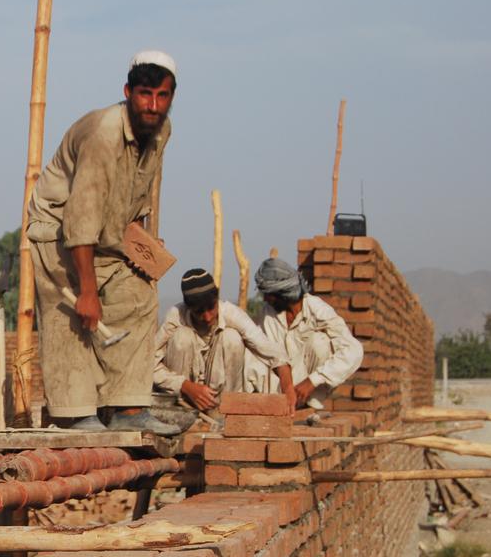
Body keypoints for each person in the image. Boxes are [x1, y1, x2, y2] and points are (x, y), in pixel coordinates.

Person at [25, 49, 181, 436]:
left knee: (139, 297)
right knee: (74, 316)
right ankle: (78, 415)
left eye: (162, 96)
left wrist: (142, 245)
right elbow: (80, 218)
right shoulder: (102, 134)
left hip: (109, 235)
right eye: (145, 94)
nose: (153, 105)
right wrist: (89, 291)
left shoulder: (162, 131)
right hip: (60, 232)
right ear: (128, 92)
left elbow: (137, 193)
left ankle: (128, 409)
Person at [154, 268, 294, 412]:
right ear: (188, 308)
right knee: (181, 337)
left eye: (211, 308)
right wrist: (184, 385)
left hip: (220, 401)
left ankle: (224, 411)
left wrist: (288, 388)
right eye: (199, 312)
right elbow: (148, 365)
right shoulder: (176, 316)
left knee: (231, 338)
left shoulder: (231, 314)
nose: (207, 317)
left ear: (217, 299)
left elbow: (270, 351)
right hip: (182, 399)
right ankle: (181, 412)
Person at [248, 258, 365, 409]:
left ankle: (306, 405)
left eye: (269, 295)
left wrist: (312, 381)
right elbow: (273, 355)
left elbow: (354, 350)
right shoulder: (267, 313)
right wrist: (287, 386)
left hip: (307, 389)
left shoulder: (317, 309)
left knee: (320, 342)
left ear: (283, 293)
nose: (265, 299)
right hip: (276, 387)